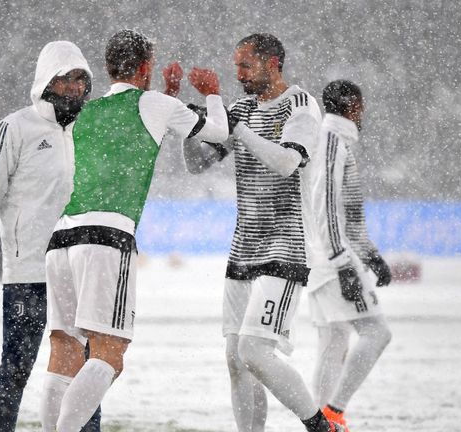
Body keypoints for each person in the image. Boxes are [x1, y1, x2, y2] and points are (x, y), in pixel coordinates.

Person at [41, 29, 229, 432]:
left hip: (62, 236)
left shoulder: (82, 110)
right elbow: (219, 132)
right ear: (146, 66)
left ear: (109, 68)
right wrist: (212, 92)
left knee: (65, 349)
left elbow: (134, 130)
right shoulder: (156, 104)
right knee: (109, 353)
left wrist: (169, 93)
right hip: (107, 238)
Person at [183, 33, 344, 432]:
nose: (237, 75)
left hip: (285, 244)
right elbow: (197, 165)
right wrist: (190, 124)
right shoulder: (240, 108)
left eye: (245, 66)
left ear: (272, 63)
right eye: (235, 66)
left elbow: (289, 162)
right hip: (244, 246)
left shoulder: (300, 103)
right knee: (236, 360)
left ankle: (319, 426)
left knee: (255, 349)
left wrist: (239, 131)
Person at [0, 41, 100, 432]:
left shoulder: (91, 130)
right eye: (66, 78)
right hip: (27, 273)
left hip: (78, 273)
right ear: (46, 81)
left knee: (84, 374)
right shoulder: (15, 127)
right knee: (15, 370)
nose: (75, 87)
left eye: (81, 79)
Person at [301, 80, 393, 431]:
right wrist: (344, 265)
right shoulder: (332, 142)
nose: (364, 111)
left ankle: (324, 423)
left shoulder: (337, 142)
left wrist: (371, 255)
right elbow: (325, 205)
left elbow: (348, 212)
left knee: (334, 339)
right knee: (377, 332)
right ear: (353, 105)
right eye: (362, 104)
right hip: (331, 259)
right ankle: (333, 413)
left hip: (321, 259)